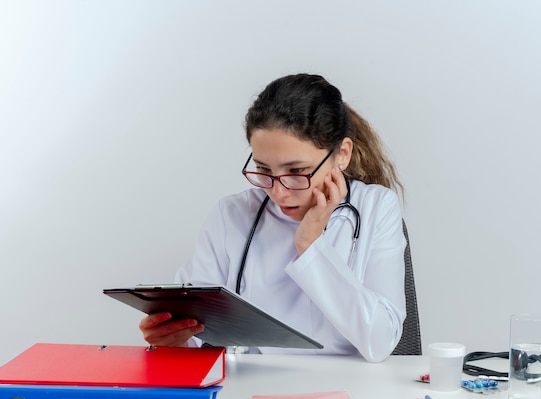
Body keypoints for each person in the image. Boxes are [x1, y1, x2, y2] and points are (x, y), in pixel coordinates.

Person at [139, 73, 407, 363]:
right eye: (264, 171)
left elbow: (380, 342)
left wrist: (310, 244)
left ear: (341, 154)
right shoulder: (231, 214)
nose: (278, 192)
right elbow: (194, 327)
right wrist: (173, 339)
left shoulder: (377, 207)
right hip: (254, 386)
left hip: (348, 388)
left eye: (296, 172)